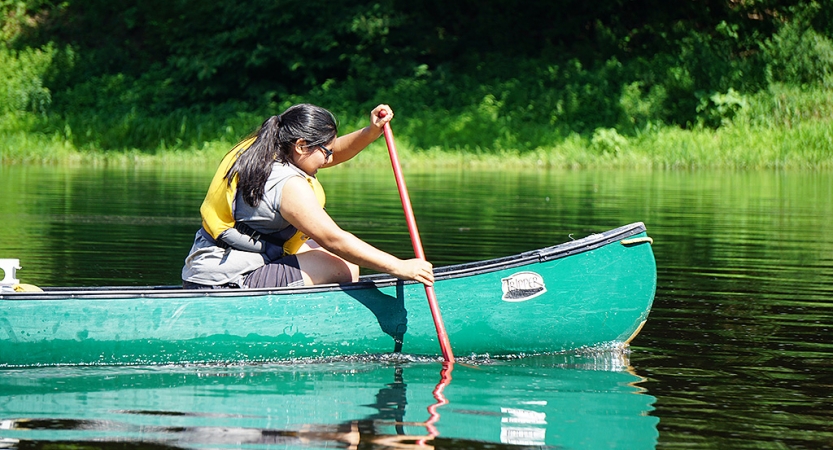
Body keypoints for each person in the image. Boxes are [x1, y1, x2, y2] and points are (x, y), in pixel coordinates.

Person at [181, 103, 434, 289]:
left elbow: (331, 152)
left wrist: (369, 132)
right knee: (343, 265)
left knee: (323, 252)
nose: (329, 159)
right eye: (326, 152)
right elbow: (335, 239)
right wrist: (399, 266)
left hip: (207, 267)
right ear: (301, 145)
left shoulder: (264, 148)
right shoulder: (288, 185)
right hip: (225, 281)